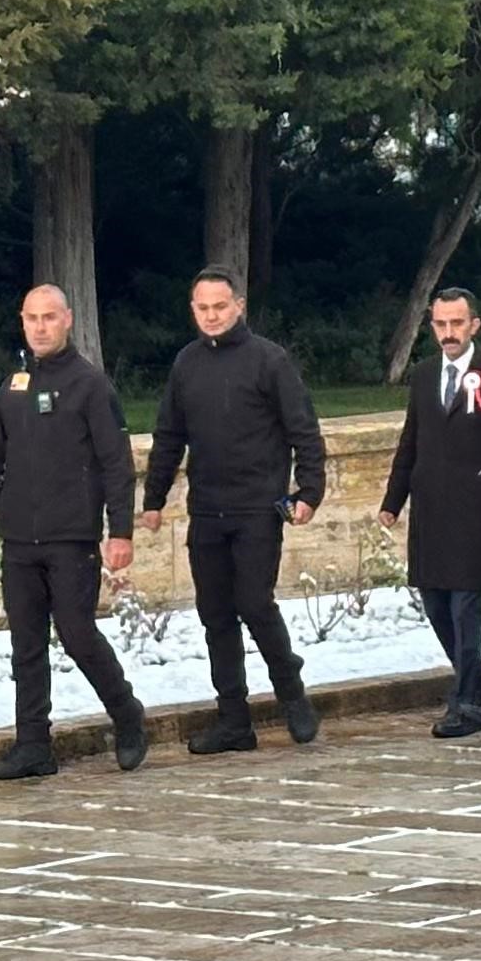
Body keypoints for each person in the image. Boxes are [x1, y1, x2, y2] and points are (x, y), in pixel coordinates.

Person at [0, 284, 149, 779]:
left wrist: (120, 531)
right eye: (31, 318)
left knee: (77, 633)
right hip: (19, 537)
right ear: (22, 322)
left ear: (68, 320)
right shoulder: (13, 386)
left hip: (70, 537)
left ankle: (128, 715)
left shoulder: (90, 386)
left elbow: (115, 465)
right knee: (26, 644)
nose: (40, 327)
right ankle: (33, 745)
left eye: (49, 317)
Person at [140, 268, 328, 752]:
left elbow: (302, 429)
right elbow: (169, 436)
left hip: (257, 508)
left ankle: (291, 692)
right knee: (215, 614)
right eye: (202, 308)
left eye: (219, 307)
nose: (211, 316)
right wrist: (154, 499)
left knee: (254, 603)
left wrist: (309, 491)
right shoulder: (186, 364)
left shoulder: (270, 360)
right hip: (207, 509)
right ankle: (233, 719)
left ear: (238, 305)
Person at [378, 286, 481, 736]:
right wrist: (392, 502)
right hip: (430, 511)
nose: (449, 332)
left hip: (475, 512)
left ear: (474, 324)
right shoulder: (422, 376)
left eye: (457, 323)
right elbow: (410, 441)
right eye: (441, 324)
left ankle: (463, 703)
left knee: (465, 607)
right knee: (435, 603)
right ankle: (477, 681)